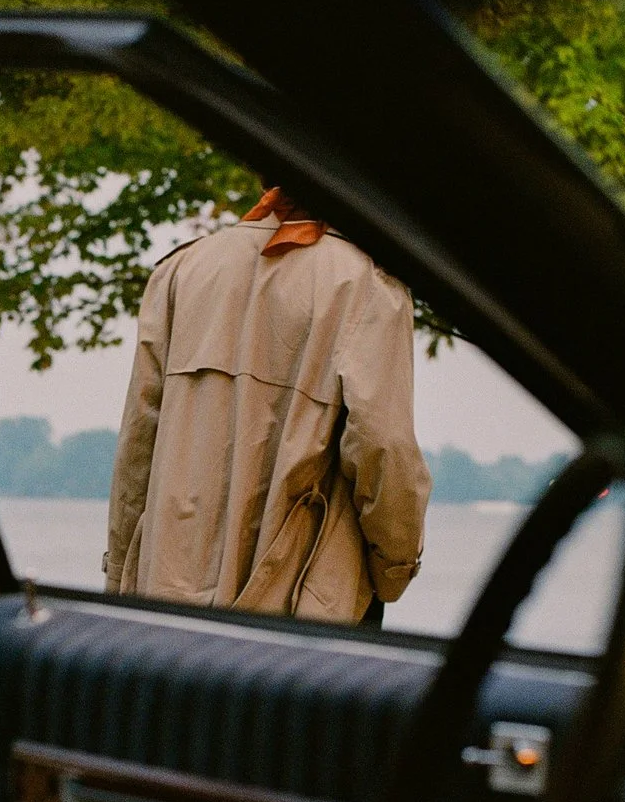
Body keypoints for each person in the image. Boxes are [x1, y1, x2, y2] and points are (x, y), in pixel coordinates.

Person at [105, 185, 430, 622]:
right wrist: (393, 570)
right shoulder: (368, 284)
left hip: (165, 597)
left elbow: (137, 448)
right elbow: (383, 448)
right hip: (302, 608)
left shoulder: (182, 270)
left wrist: (121, 576)